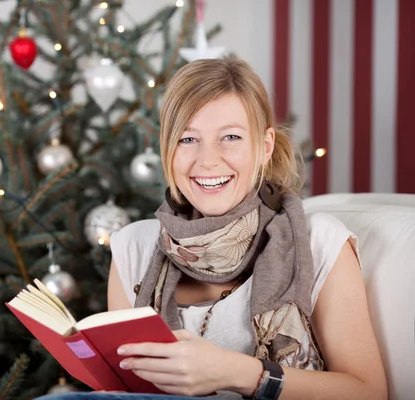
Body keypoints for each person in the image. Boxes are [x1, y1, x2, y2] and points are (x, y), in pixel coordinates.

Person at [37, 58, 388, 400]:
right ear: (167, 150)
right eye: (188, 140)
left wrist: (238, 373)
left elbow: (368, 393)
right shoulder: (134, 247)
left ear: (264, 147)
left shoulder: (317, 241)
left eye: (231, 137)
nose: (207, 160)